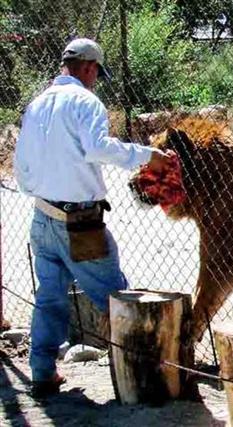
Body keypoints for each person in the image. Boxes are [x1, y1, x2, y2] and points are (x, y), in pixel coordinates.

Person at [13, 38, 170, 398]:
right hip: (79, 224)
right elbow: (98, 149)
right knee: (116, 298)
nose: (96, 78)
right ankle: (142, 378)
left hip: (42, 217)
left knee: (50, 298)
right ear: (89, 68)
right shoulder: (86, 102)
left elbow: (22, 168)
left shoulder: (37, 105)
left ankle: (42, 373)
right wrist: (148, 156)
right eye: (97, 72)